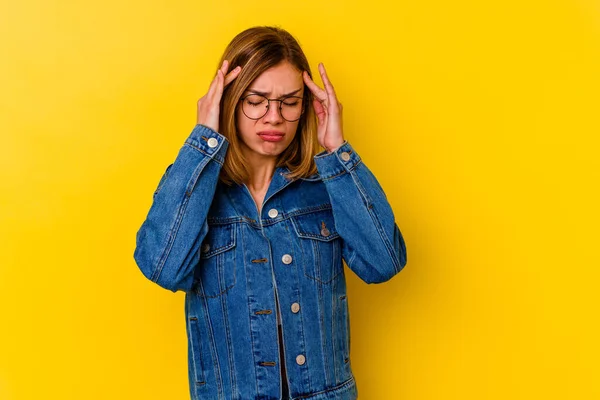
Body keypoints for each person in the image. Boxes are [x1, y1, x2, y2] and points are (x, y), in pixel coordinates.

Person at [134, 25, 407, 400]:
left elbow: (384, 261)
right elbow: (163, 267)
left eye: (289, 102)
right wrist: (203, 138)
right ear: (229, 101)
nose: (273, 117)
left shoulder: (326, 187)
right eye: (256, 99)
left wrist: (338, 150)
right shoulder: (198, 191)